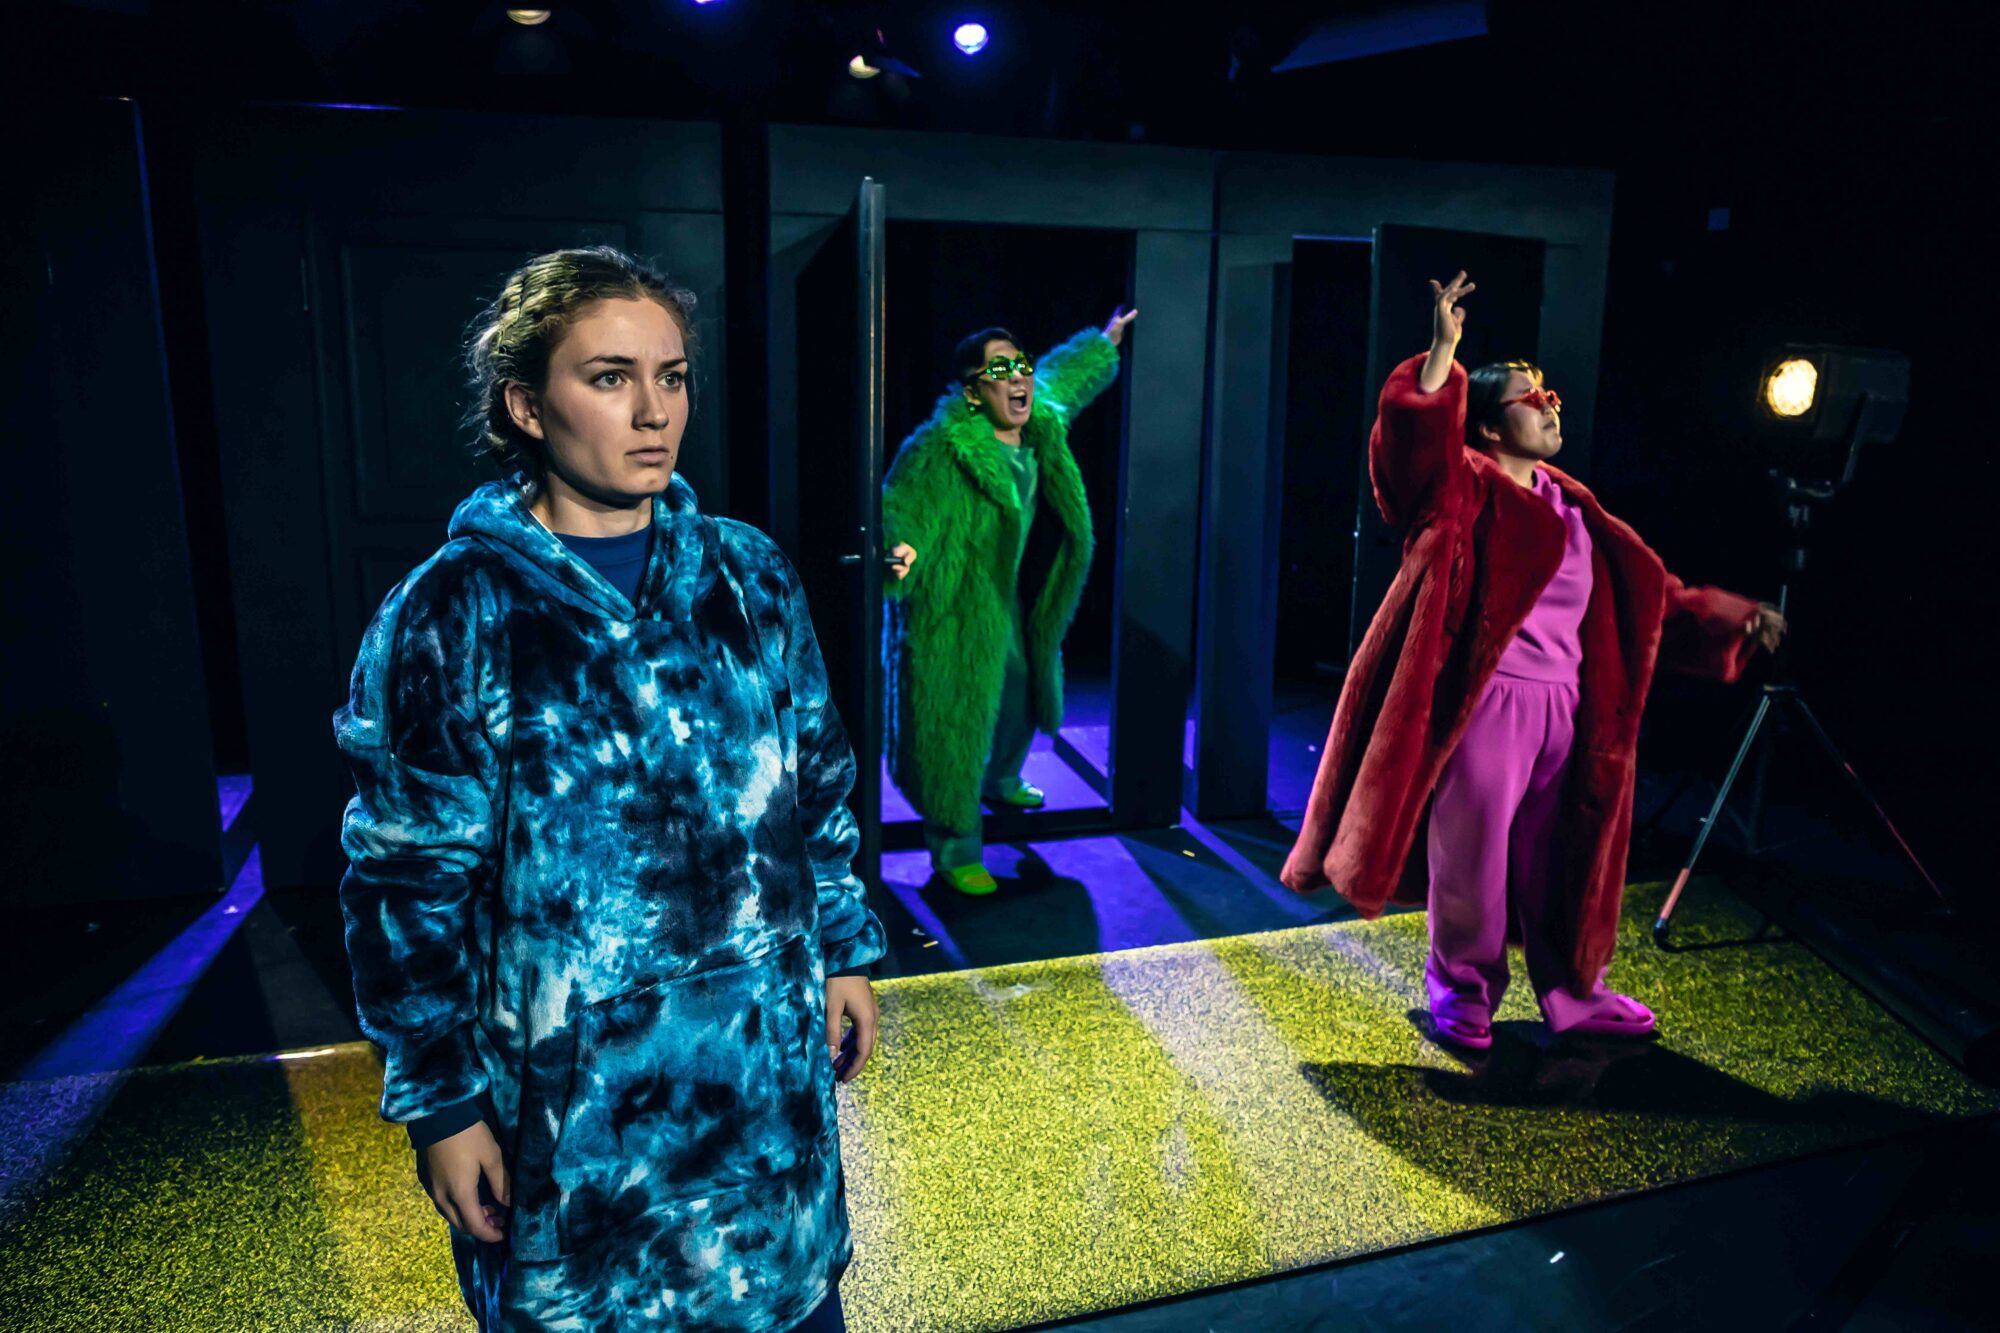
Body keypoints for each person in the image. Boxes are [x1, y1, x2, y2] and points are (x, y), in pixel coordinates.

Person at [335, 246, 884, 1330]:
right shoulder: (457, 609)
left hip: (762, 1094)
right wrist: (442, 1105)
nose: (652, 411)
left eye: (671, 376)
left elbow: (814, 788)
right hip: (576, 1125)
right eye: (609, 377)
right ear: (526, 406)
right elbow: (403, 882)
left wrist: (844, 948)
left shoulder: (746, 574)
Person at [1280, 272, 1785, 1049]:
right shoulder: (1460, 490)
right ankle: (1462, 988)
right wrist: (1443, 352)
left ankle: (1573, 991)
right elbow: (1408, 449)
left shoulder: (1575, 507)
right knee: (1473, 857)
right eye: (1529, 396)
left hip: (1568, 708)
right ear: (1486, 427)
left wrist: (1734, 618)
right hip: (1488, 704)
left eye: (1550, 393)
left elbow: (1648, 597)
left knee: (1563, 859)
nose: (1550, 404)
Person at [880, 308, 1136, 894]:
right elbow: (903, 507)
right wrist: (901, 551)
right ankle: (954, 848)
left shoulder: (1039, 419)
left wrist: (1105, 341)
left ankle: (1000, 778)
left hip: (1010, 597)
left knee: (1020, 692)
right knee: (952, 725)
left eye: (1021, 366)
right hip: (954, 610)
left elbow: (1065, 379)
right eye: (1001, 370)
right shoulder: (940, 449)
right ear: (973, 391)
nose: (1019, 378)